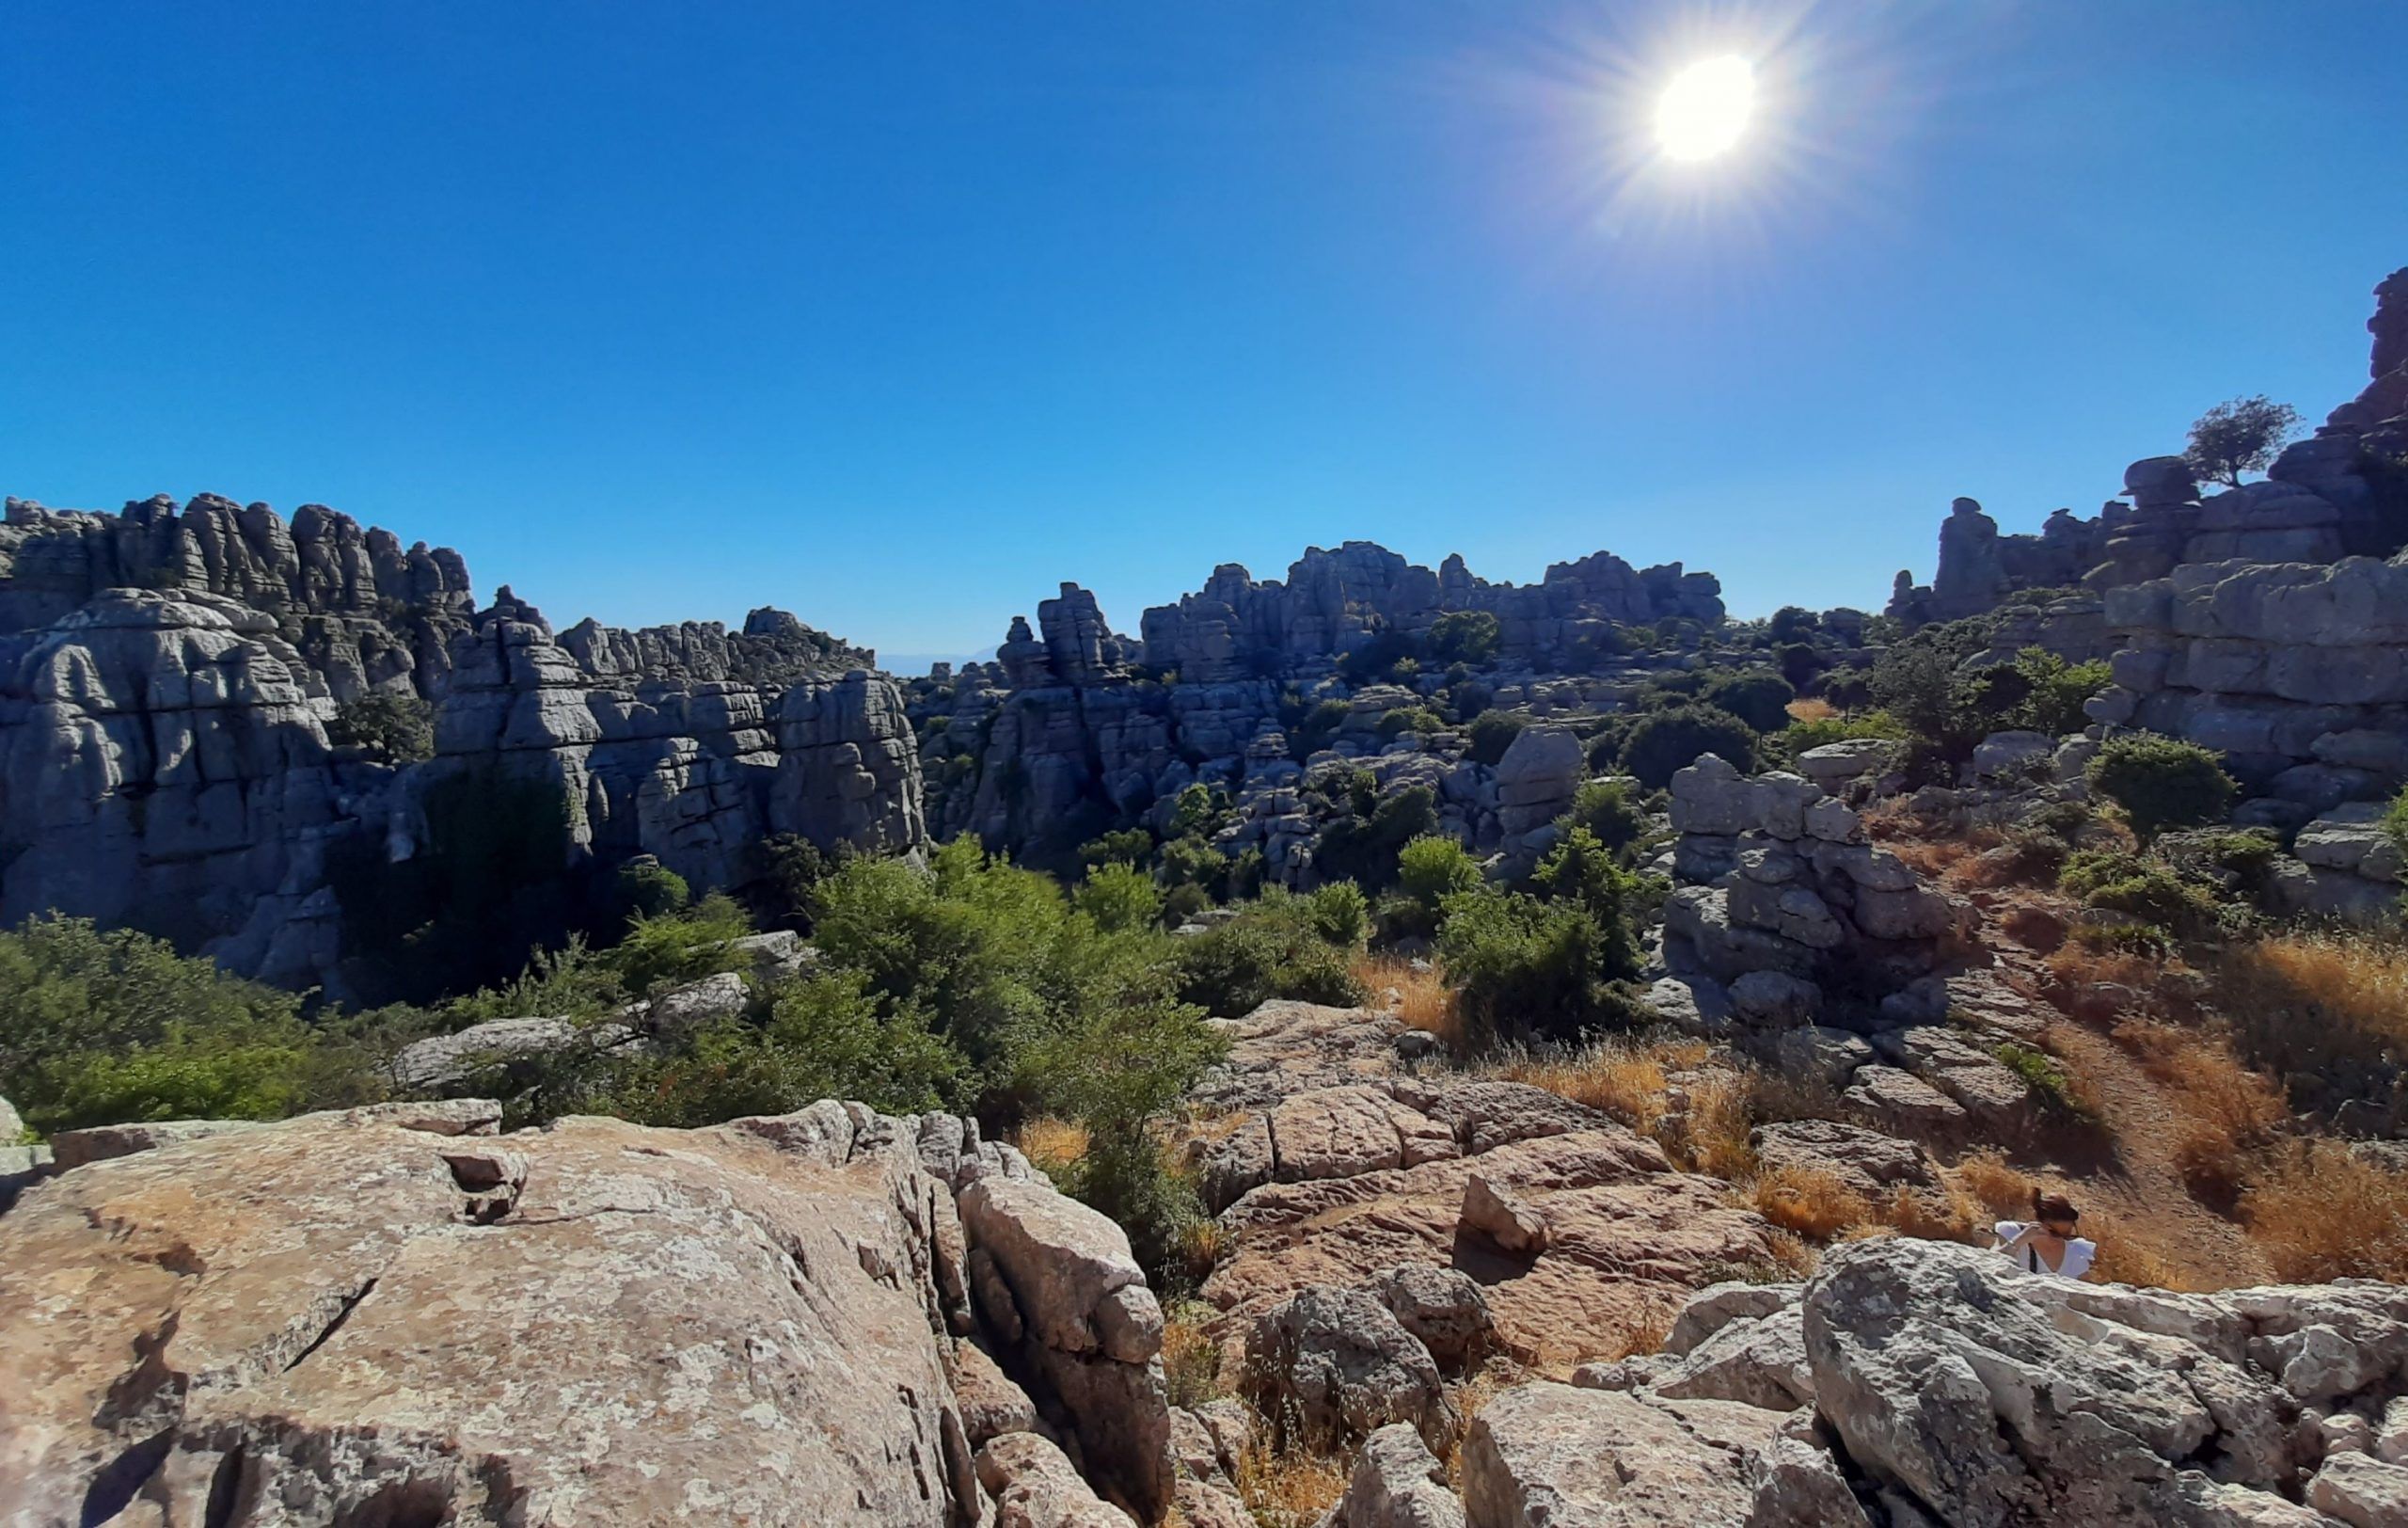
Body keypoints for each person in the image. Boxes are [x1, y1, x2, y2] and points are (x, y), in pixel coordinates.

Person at [1993, 1189, 2097, 1279]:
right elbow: (1989, 1264)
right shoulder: (2012, 1232)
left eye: (2067, 1235)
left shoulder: (2077, 1252)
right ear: (2040, 1225)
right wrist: (2018, 1241)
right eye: (2055, 1234)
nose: (2060, 1240)